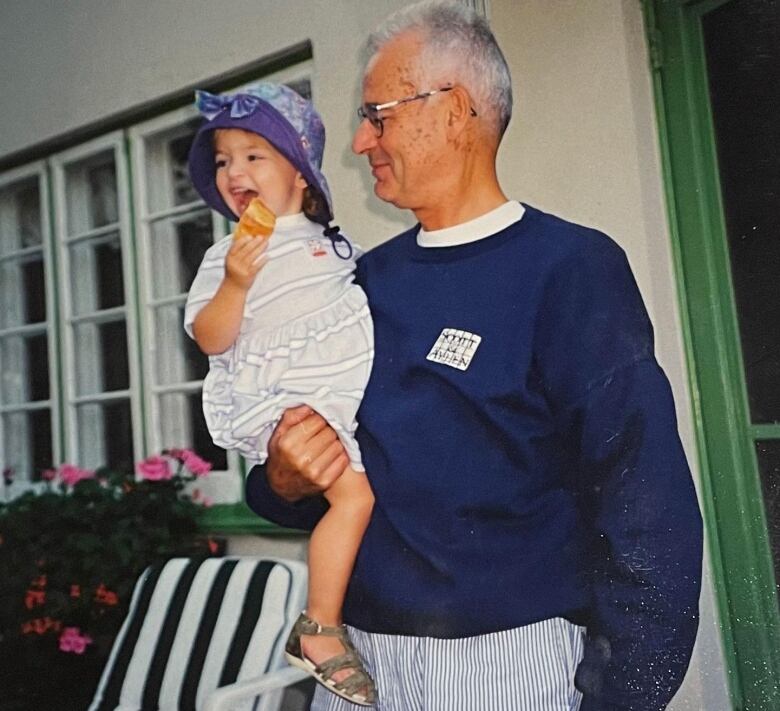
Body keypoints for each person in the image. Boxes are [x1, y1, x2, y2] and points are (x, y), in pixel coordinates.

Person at [245, 2, 704, 710]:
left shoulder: (569, 269)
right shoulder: (356, 284)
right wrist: (282, 475)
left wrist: (624, 697)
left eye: (378, 115)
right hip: (358, 662)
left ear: (454, 109)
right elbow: (294, 489)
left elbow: (645, 502)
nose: (360, 142)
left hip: (506, 663)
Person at [184, 82, 376, 706]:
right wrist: (237, 283)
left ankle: (325, 621)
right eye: (222, 159)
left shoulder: (332, 244)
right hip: (280, 396)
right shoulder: (228, 254)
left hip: (332, 395)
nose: (233, 171)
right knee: (354, 497)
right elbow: (211, 337)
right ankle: (319, 628)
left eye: (252, 155)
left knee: (357, 496)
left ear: (300, 173)